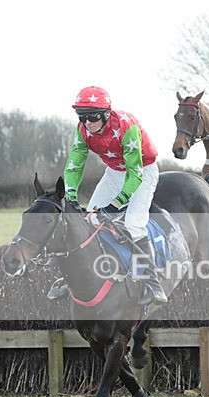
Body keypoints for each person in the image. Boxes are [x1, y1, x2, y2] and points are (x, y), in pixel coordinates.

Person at [54, 85, 167, 305]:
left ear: (106, 113)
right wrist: (71, 196)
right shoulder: (83, 129)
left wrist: (117, 203)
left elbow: (135, 175)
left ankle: (154, 284)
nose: (87, 122)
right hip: (115, 171)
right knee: (91, 218)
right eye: (82, 117)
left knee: (134, 225)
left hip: (142, 169)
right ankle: (77, 277)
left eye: (92, 116)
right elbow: (74, 166)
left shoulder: (127, 126)